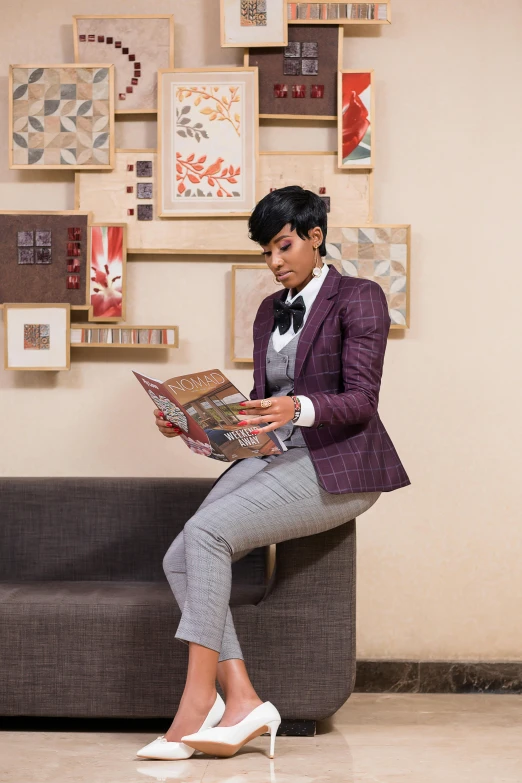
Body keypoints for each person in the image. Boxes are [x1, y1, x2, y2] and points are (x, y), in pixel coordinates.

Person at [136, 186, 410, 762]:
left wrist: (299, 408)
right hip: (275, 452)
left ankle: (195, 704)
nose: (275, 262)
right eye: (266, 252)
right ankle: (240, 698)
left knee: (206, 535)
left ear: (315, 236)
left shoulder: (360, 297)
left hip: (342, 462)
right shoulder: (268, 312)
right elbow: (261, 409)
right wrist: (191, 424)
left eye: (283, 246)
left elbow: (361, 399)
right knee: (178, 555)